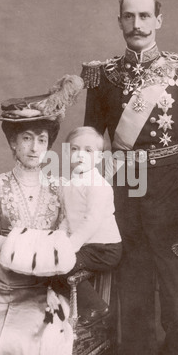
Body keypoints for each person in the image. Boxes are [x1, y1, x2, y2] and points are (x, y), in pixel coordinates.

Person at [81, 0, 178, 355]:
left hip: (173, 196)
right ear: (120, 22)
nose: (137, 25)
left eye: (145, 16)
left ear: (159, 20)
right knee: (134, 298)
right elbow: (89, 148)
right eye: (129, 17)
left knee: (177, 300)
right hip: (123, 194)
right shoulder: (103, 77)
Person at [0, 74, 84, 355]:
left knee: (35, 342)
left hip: (40, 290)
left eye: (41, 140)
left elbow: (69, 238)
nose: (34, 148)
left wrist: (45, 255)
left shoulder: (60, 189)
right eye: (26, 139)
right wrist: (29, 247)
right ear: (13, 143)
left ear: (48, 145)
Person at [57, 126, 122, 327]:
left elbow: (91, 221)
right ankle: (78, 307)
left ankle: (97, 307)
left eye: (88, 151)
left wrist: (69, 246)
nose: (80, 155)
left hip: (105, 248)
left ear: (99, 158)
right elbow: (68, 218)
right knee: (50, 264)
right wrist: (58, 239)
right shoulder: (69, 184)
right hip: (86, 244)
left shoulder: (98, 185)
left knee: (61, 264)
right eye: (74, 149)